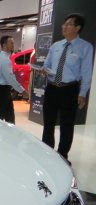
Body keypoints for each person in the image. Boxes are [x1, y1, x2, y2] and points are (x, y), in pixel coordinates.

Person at [41, 13, 93, 162]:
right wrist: (45, 69)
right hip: (52, 88)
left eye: (69, 24)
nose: (64, 26)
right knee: (48, 123)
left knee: (67, 125)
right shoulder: (56, 46)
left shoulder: (85, 47)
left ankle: (62, 155)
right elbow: (47, 65)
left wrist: (82, 93)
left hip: (69, 90)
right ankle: (46, 152)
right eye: (64, 23)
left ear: (77, 28)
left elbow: (86, 73)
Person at [0, 36, 29, 124]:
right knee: (4, 115)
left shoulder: (1, 58)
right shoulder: (4, 60)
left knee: (3, 114)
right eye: (11, 43)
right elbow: (10, 78)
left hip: (1, 89)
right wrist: (22, 91)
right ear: (4, 45)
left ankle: (3, 131)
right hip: (3, 89)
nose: (13, 45)